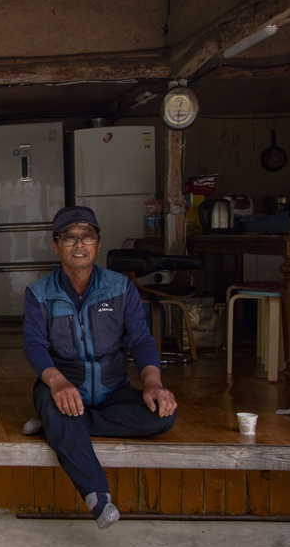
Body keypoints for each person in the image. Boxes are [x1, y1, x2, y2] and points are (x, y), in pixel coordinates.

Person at [22, 205, 177, 528]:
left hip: (112, 390)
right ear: (55, 245)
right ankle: (97, 495)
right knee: (56, 407)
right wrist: (57, 382)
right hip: (63, 386)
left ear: (98, 244)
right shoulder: (39, 293)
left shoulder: (120, 288)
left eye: (87, 236)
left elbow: (141, 340)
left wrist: (152, 382)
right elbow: (34, 346)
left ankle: (62, 427)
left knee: (163, 416)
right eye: (70, 238)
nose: (79, 245)